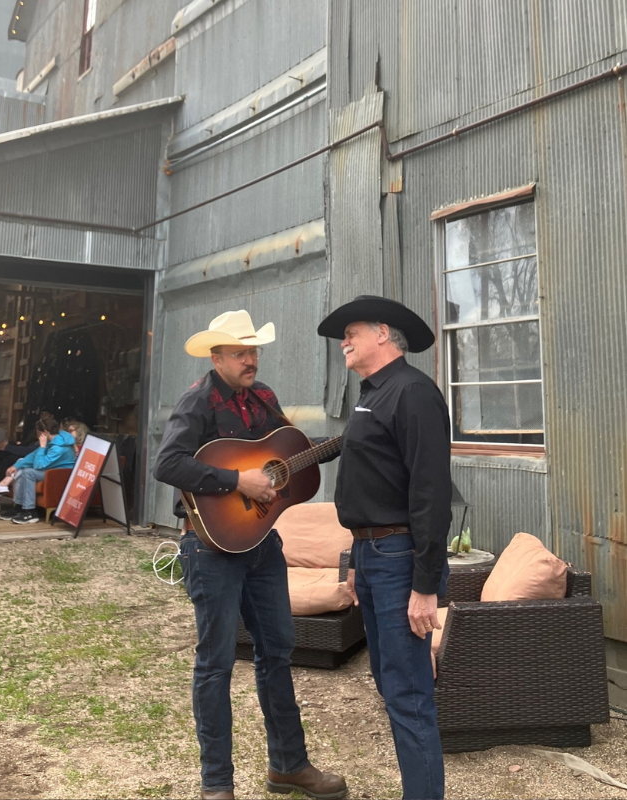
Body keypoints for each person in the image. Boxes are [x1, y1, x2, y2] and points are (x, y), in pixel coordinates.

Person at [153, 310, 347, 800]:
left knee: (278, 652)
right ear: (216, 357)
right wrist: (237, 480)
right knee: (215, 664)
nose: (250, 360)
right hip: (210, 550)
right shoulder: (197, 402)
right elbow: (168, 463)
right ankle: (217, 784)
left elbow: (291, 453)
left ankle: (289, 766)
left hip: (262, 545)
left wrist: (345, 442)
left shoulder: (263, 399)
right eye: (240, 352)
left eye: (254, 351)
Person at [317, 295, 452, 800]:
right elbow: (369, 490)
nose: (344, 343)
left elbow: (431, 493)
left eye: (351, 333)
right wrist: (355, 560)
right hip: (372, 555)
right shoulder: (371, 394)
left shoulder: (412, 392)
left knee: (408, 692)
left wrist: (425, 587)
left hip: (399, 558)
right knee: (389, 680)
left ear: (382, 333)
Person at [0, 418, 76, 524]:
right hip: (51, 469)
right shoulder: (53, 441)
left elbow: (39, 465)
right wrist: (16, 466)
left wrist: (42, 447)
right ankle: (19, 507)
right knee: (21, 470)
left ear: (44, 432)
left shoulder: (59, 447)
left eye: (37, 431)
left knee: (28, 473)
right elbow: (33, 455)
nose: (36, 434)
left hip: (59, 474)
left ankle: (30, 511)